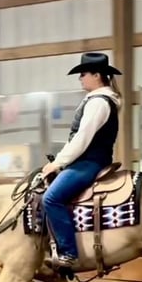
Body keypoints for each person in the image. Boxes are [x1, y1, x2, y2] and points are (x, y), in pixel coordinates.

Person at [41, 52, 123, 270]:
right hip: (90, 159)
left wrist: (57, 163)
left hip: (88, 162)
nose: (80, 78)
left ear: (97, 75)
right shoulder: (101, 100)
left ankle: (69, 253)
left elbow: (82, 138)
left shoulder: (98, 102)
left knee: (51, 198)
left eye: (83, 74)